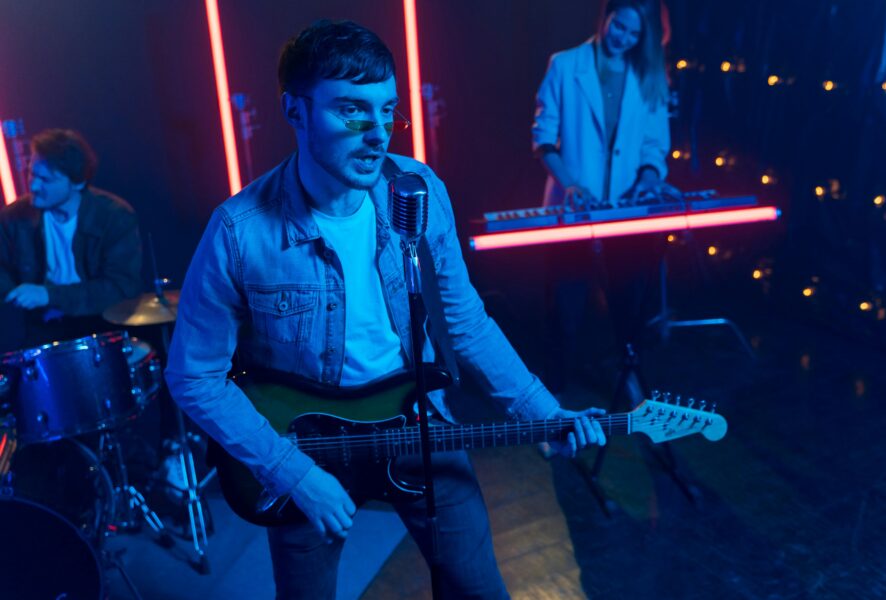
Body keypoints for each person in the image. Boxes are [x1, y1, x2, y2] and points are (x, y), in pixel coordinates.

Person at [164, 19, 606, 599]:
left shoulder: (418, 189)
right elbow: (193, 375)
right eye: (352, 111)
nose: (377, 134)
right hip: (305, 447)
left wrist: (545, 413)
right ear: (295, 111)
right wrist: (293, 475)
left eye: (387, 111)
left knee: (479, 590)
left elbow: (465, 322)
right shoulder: (239, 232)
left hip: (415, 420)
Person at [531, 0, 674, 394]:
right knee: (564, 311)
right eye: (619, 26)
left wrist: (648, 178)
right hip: (572, 211)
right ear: (606, 16)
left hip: (626, 211)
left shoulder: (649, 74)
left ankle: (629, 381)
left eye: (634, 34)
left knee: (630, 308)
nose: (623, 38)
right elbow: (543, 139)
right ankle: (553, 399)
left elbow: (654, 145)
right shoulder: (564, 65)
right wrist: (570, 185)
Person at [0, 129, 142, 352]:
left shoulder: (114, 216)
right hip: (43, 327)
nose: (34, 186)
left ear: (77, 183)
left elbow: (121, 287)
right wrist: (13, 293)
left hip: (102, 324)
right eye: (32, 174)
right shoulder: (14, 217)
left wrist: (49, 296)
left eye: (46, 180)